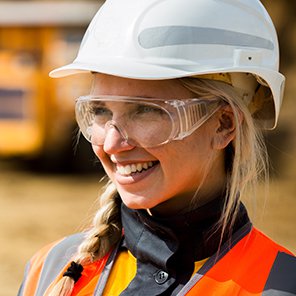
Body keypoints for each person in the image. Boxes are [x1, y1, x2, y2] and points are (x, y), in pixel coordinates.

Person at [18, 0, 296, 295]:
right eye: (100, 111)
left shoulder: (279, 285)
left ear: (224, 124)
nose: (112, 144)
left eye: (146, 111)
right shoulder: (49, 269)